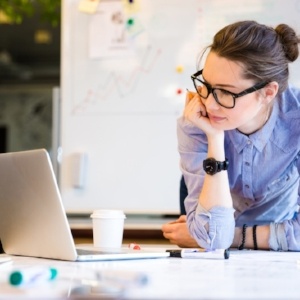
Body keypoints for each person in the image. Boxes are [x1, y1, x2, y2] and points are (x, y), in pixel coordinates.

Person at [162, 20, 300, 251]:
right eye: (206, 85)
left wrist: (235, 237)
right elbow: (213, 239)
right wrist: (215, 138)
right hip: (215, 213)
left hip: (277, 234)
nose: (209, 103)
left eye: (226, 92)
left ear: (267, 93)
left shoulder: (295, 117)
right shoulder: (198, 120)